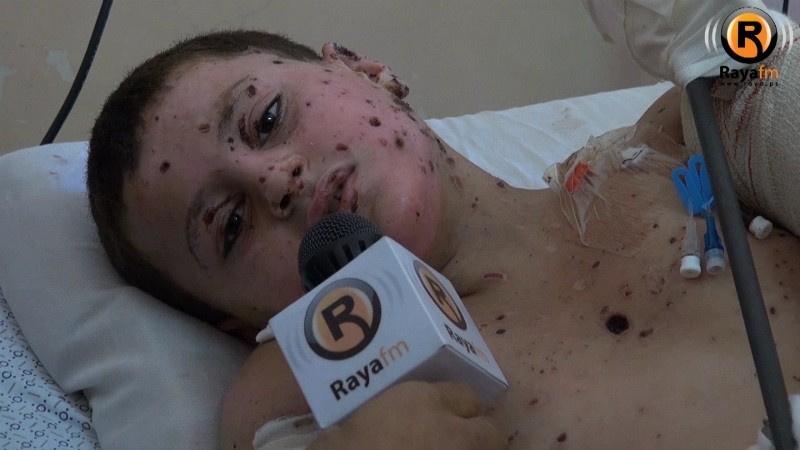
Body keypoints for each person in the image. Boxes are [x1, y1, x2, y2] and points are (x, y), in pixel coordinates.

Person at [87, 30, 800, 449]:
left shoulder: (687, 137)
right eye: (231, 226)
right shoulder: (319, 397)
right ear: (247, 325)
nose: (275, 181)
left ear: (366, 69)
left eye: (267, 119)